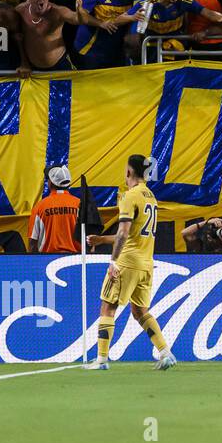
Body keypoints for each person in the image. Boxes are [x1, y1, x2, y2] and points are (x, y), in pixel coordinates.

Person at [84, 154, 175, 371]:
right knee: (140, 312)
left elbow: (124, 233)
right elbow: (133, 234)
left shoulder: (129, 196)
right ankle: (165, 352)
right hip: (146, 264)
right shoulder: (150, 196)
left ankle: (101, 360)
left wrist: (113, 260)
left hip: (127, 262)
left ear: (128, 172)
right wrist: (102, 239)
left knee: (108, 307)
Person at [27, 166, 81, 254]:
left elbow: (32, 242)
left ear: (50, 182)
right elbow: (90, 238)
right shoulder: (80, 204)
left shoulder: (40, 206)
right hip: (76, 259)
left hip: (46, 260)